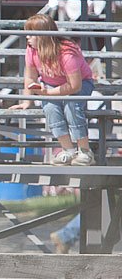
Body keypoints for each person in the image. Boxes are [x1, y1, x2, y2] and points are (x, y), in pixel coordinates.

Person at [9, 14, 95, 166]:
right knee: (50, 107)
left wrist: (48, 93)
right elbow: (30, 77)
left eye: (31, 34)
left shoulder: (67, 53)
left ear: (43, 36)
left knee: (71, 106)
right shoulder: (31, 50)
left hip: (81, 83)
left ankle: (84, 151)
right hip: (52, 85)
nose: (27, 37)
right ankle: (67, 150)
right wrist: (26, 101)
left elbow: (75, 86)